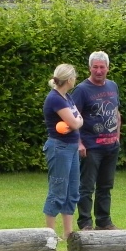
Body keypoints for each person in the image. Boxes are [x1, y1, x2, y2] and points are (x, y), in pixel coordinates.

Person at [72, 51, 121, 231]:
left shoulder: (113, 86)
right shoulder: (82, 90)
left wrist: (117, 136)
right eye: (95, 67)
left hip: (111, 146)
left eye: (102, 67)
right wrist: (79, 143)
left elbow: (116, 113)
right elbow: (72, 118)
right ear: (90, 68)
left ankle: (104, 221)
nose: (99, 71)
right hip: (91, 147)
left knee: (106, 186)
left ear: (108, 68)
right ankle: (85, 223)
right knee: (86, 187)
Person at [42, 64, 83, 238]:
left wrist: (77, 120)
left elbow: (78, 118)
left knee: (72, 191)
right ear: (69, 79)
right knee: (58, 191)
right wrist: (77, 121)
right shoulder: (55, 99)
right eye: (74, 76)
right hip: (60, 148)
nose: (75, 79)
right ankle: (50, 234)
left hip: (72, 148)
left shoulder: (67, 97)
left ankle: (68, 233)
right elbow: (76, 122)